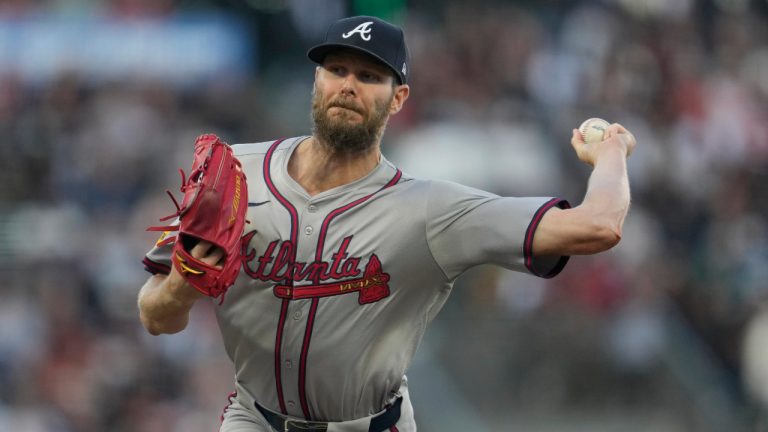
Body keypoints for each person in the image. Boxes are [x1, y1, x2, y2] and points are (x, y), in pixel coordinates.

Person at [138, 15, 636, 432]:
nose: (349, 86)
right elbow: (155, 317)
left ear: (398, 98)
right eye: (337, 69)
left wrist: (611, 154)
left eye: (370, 77)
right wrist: (183, 283)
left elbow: (599, 227)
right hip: (253, 419)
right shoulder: (236, 177)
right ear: (317, 80)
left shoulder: (428, 210)